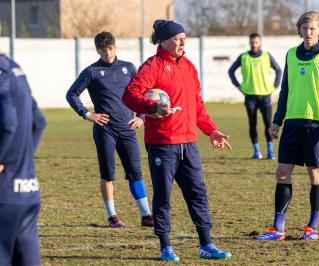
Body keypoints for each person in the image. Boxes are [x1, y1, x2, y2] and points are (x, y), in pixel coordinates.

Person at [123, 20, 232, 261]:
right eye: (178, 38)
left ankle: (206, 245)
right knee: (163, 195)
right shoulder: (153, 66)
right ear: (163, 41)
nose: (183, 42)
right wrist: (153, 106)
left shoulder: (189, 67)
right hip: (162, 142)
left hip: (188, 142)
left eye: (185, 37)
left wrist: (211, 131)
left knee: (198, 193)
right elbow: (130, 95)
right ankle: (165, 247)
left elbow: (197, 105)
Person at [254, 11, 319, 241]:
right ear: (300, 30)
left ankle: (312, 227)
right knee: (282, 173)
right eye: (304, 28)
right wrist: (276, 120)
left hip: (316, 126)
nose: (308, 32)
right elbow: (285, 91)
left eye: (312, 28)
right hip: (292, 123)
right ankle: (277, 228)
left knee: (315, 175)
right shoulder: (291, 55)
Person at [66, 31, 153, 228]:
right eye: (103, 51)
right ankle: (112, 216)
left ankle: (146, 215)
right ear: (98, 50)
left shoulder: (128, 68)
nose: (108, 54)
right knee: (108, 174)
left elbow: (143, 92)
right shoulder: (91, 71)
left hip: (128, 129)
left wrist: (141, 116)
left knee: (136, 173)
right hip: (105, 130)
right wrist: (87, 114)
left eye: (111, 49)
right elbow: (71, 94)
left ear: (115, 47)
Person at [0, 43, 47, 265]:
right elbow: (39, 122)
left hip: (4, 195)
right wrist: (22, 162)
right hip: (28, 191)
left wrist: (3, 159)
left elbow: (9, 124)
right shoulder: (15, 68)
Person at [228, 32, 282, 159]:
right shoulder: (244, 56)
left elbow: (279, 70)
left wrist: (275, 86)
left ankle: (270, 152)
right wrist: (238, 85)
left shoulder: (266, 56)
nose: (254, 44)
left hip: (265, 96)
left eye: (256, 42)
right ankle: (256, 151)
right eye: (252, 42)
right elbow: (231, 71)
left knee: (268, 124)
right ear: (249, 42)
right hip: (250, 97)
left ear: (260, 43)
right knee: (252, 124)